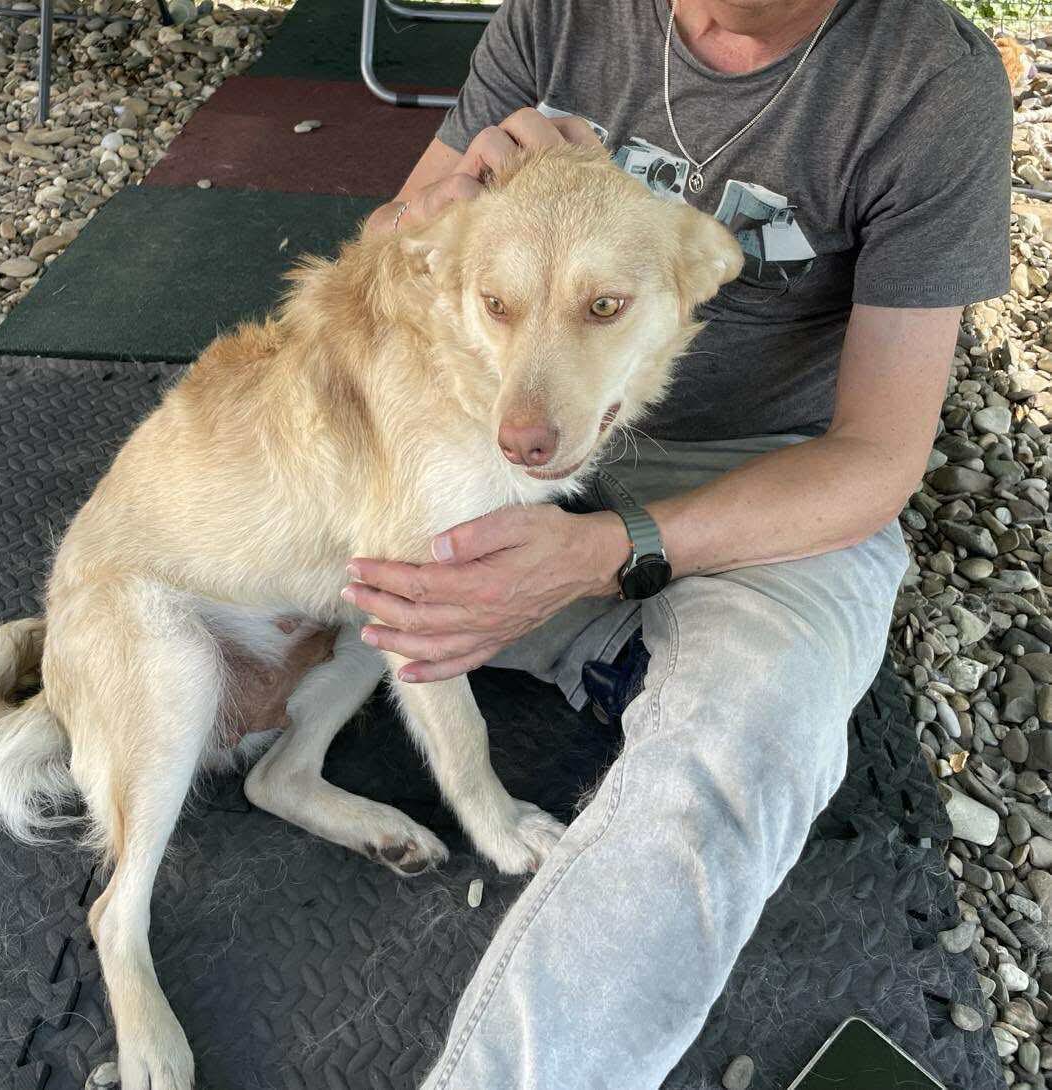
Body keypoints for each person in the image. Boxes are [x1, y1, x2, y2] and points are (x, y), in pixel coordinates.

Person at [342, 1, 1014, 1086]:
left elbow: (878, 457)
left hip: (764, 475)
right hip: (496, 430)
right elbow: (379, 260)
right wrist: (442, 205)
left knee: (747, 743)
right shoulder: (559, 14)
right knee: (312, 549)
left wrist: (607, 551)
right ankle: (614, 648)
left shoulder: (928, 82)